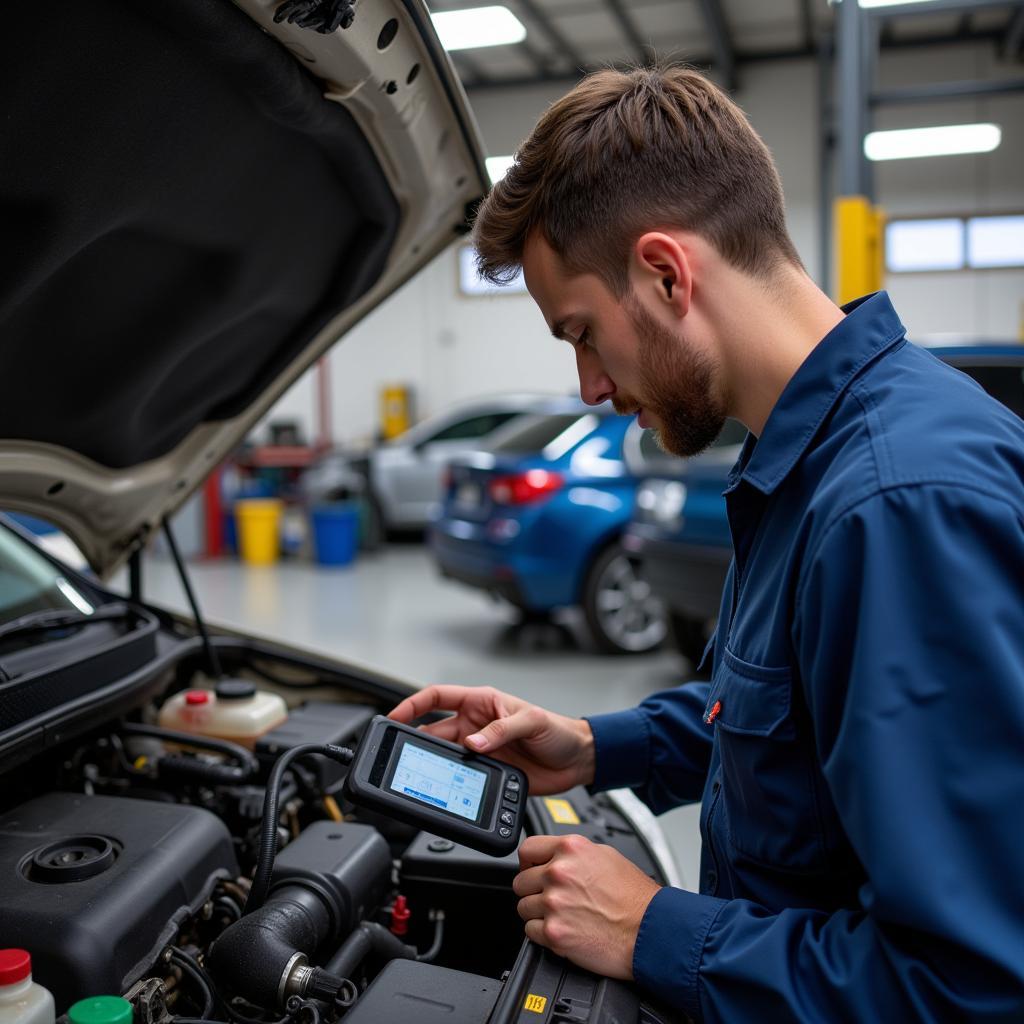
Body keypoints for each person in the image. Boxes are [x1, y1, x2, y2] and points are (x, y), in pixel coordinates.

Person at [390, 65, 1024, 1021]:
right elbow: (786, 726)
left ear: (666, 273)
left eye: (583, 334)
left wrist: (652, 928)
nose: (590, 387)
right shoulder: (801, 462)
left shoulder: (895, 507)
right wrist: (595, 747)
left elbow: (969, 985)